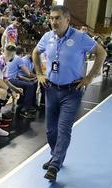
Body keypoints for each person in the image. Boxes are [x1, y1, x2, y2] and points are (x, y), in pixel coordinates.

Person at [32, 5, 106, 181]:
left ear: (67, 19)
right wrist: (39, 73)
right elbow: (35, 52)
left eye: (57, 18)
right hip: (51, 89)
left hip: (72, 92)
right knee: (51, 131)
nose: (53, 22)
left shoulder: (80, 37)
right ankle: (55, 155)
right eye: (51, 18)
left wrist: (88, 78)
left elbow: (101, 53)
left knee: (63, 129)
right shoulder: (47, 37)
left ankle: (55, 165)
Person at [7, 46, 37, 119]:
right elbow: (28, 74)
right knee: (30, 86)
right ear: (22, 53)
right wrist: (39, 76)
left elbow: (17, 75)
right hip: (9, 80)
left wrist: (28, 80)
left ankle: (22, 104)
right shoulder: (19, 59)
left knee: (29, 83)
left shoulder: (12, 58)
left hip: (9, 78)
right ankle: (25, 110)